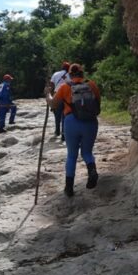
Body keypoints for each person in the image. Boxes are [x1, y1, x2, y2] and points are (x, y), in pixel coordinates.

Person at [46, 63, 101, 197]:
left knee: (72, 155)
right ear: (82, 73)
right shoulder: (92, 85)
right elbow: (98, 105)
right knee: (87, 152)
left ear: (70, 74)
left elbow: (53, 103)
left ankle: (69, 188)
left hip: (71, 122)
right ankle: (92, 170)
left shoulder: (65, 87)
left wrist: (47, 94)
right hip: (90, 122)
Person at [49, 61, 71, 141]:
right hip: (65, 97)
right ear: (69, 68)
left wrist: (51, 97)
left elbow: (51, 85)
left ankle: (57, 131)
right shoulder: (70, 75)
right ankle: (63, 135)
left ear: (62, 67)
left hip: (56, 95)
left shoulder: (55, 74)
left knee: (56, 115)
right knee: (64, 116)